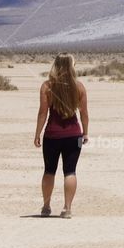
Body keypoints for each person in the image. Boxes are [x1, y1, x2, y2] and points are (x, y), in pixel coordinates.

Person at [34, 53, 88, 218]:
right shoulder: (79, 87)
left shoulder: (47, 86)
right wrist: (85, 133)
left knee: (49, 171)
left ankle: (46, 206)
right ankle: (67, 208)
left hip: (52, 135)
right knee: (70, 171)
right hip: (74, 135)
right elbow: (84, 113)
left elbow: (43, 113)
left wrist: (37, 133)